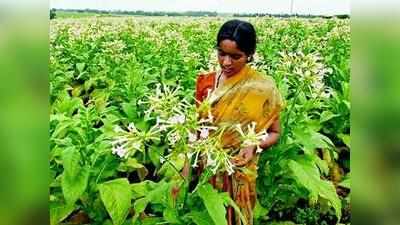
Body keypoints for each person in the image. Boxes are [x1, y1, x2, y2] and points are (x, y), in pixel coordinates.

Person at [194, 19, 283, 225]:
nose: (226, 62)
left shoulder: (263, 87)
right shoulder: (206, 83)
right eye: (221, 54)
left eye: (236, 56)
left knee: (237, 218)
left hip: (240, 172)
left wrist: (254, 144)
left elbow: (275, 133)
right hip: (206, 168)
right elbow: (196, 130)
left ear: (250, 55)